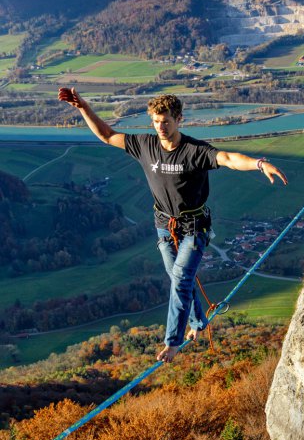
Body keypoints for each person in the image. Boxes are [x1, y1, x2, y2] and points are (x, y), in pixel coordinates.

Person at [57, 88, 287, 363]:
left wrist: (259, 164)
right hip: (164, 227)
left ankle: (173, 342)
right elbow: (107, 135)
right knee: (179, 279)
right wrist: (83, 107)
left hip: (194, 228)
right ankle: (198, 322)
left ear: (179, 119)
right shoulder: (146, 145)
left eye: (166, 121)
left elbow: (227, 158)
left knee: (180, 279)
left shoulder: (194, 151)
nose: (161, 127)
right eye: (156, 121)